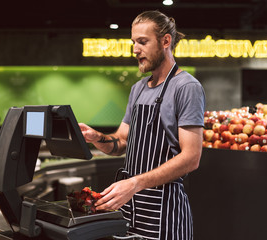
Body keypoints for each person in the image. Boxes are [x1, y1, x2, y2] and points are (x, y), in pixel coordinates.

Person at [79, 10, 205, 239]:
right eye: (133, 42)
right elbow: (122, 142)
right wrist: (96, 137)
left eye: (143, 42)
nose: (135, 49)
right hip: (131, 207)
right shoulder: (137, 89)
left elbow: (191, 157)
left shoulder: (187, 87)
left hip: (165, 212)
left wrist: (135, 183)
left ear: (166, 41)